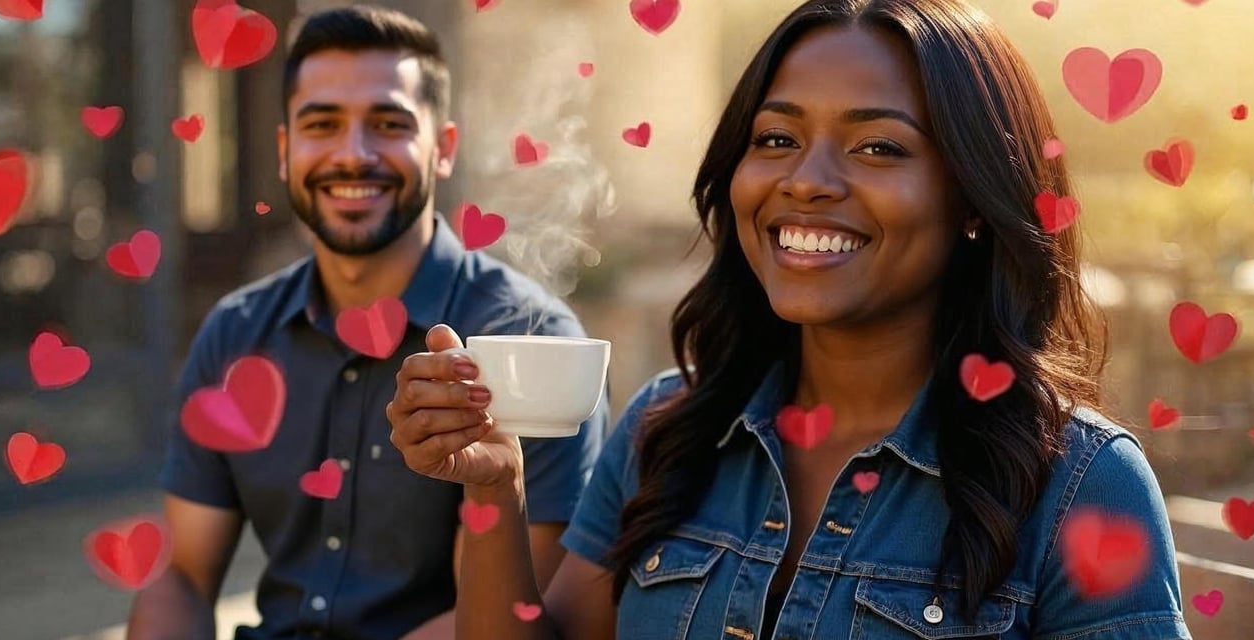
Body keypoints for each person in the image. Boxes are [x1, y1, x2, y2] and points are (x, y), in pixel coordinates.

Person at [387, 0, 1192, 638]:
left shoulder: (1081, 486)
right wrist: (497, 490)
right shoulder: (667, 431)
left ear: (974, 200)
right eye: (775, 138)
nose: (805, 181)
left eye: (878, 148)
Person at [127, 6, 605, 640]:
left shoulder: (531, 346)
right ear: (284, 149)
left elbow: (518, 618)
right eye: (322, 124)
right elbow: (184, 574)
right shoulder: (234, 332)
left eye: (388, 124)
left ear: (443, 149)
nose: (352, 156)